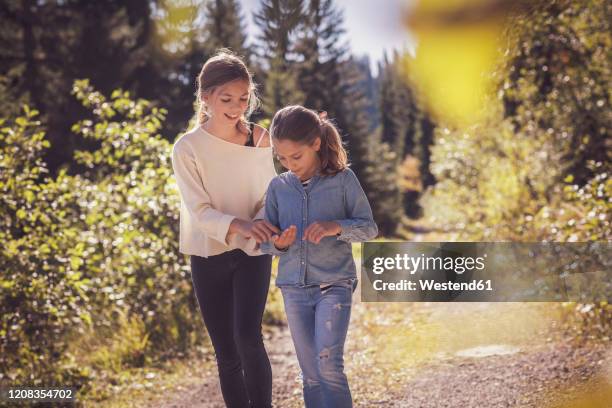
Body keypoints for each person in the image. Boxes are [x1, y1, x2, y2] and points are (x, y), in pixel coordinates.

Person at [171, 49, 278, 408]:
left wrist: (261, 221)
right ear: (205, 97)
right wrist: (240, 224)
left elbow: (269, 191)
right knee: (227, 353)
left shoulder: (259, 138)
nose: (236, 107)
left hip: (254, 250)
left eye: (244, 98)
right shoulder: (187, 148)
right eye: (226, 98)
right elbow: (199, 210)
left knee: (249, 338)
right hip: (208, 255)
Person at [260, 105, 378, 408]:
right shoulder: (277, 187)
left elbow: (369, 229)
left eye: (295, 157)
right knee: (310, 374)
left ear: (315, 143)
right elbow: (266, 244)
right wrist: (280, 244)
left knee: (329, 367)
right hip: (293, 290)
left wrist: (335, 226)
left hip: (333, 285)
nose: (289, 164)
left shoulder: (343, 180)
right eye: (281, 158)